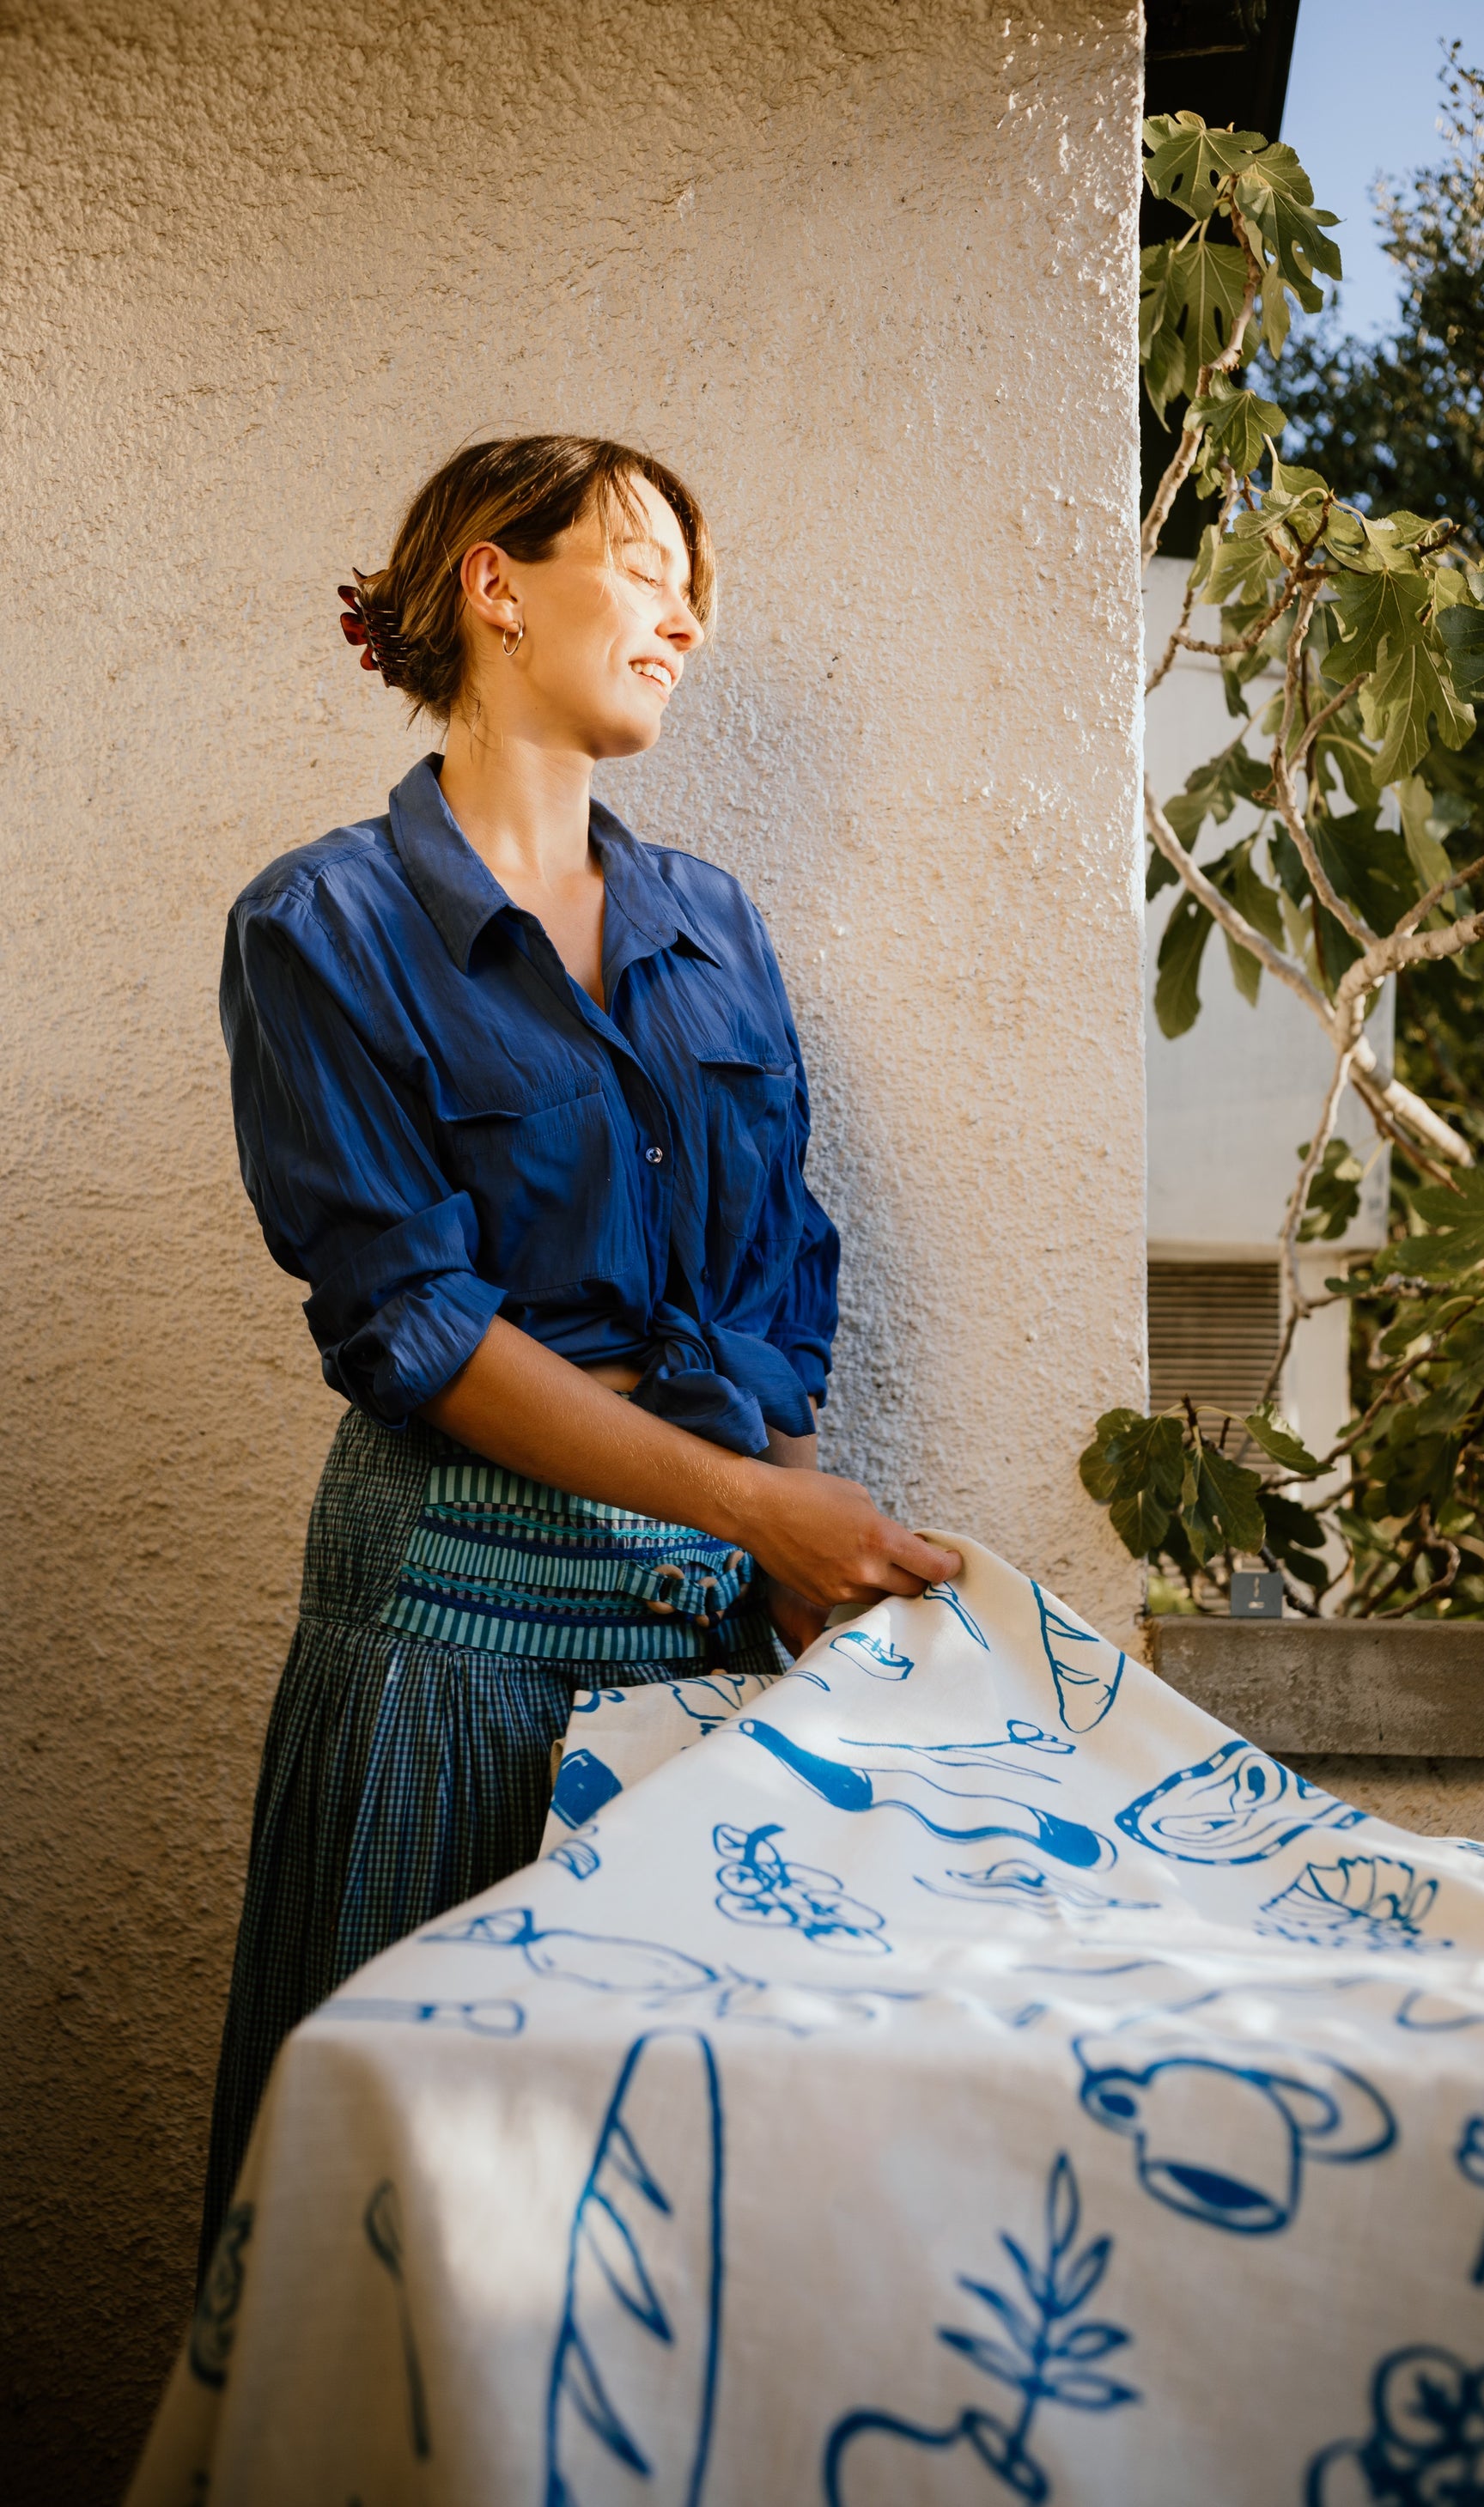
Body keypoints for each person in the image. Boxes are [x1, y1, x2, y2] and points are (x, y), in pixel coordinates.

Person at [199, 433, 958, 2274]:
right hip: (440, 1651)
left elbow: (785, 1267)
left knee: (669, 2250)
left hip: (706, 1647)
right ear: (494, 580)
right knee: (412, 2244)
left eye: (697, 583)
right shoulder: (322, 927)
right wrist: (764, 1507)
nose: (686, 612)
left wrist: (774, 1553)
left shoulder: (717, 924)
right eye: (642, 562)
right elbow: (419, 1329)